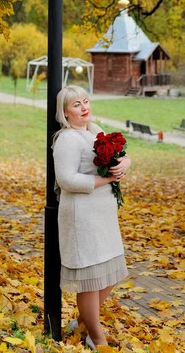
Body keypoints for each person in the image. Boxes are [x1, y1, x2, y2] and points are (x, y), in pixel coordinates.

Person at [53, 85, 131, 350]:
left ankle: (83, 322)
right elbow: (66, 179)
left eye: (85, 101)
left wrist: (125, 163)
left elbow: (119, 156)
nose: (84, 107)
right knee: (90, 280)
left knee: (108, 274)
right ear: (65, 112)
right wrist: (104, 179)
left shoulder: (94, 130)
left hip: (104, 215)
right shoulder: (66, 139)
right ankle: (97, 339)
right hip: (81, 217)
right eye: (76, 104)